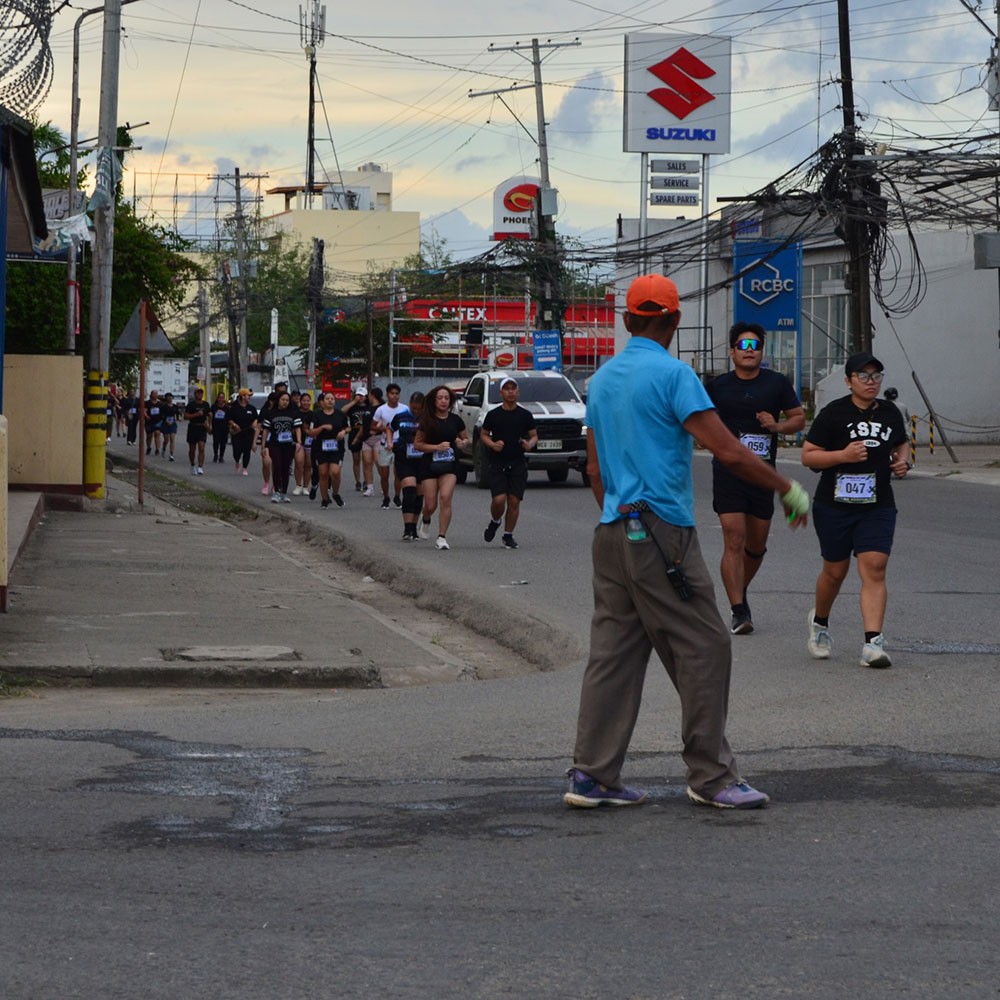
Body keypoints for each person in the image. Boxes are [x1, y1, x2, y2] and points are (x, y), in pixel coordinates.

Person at [564, 274, 809, 811]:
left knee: (615, 654)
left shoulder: (602, 380)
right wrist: (787, 487)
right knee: (706, 645)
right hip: (661, 531)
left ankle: (592, 775)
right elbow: (729, 451)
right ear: (673, 322)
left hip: (612, 531)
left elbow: (594, 468)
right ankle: (712, 776)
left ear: (628, 322)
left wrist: (618, 514)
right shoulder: (675, 375)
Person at [802, 352, 910, 669]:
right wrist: (843, 455)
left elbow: (900, 443)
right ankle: (819, 623)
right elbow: (809, 456)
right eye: (863, 376)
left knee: (875, 566)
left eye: (876, 376)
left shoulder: (890, 413)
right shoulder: (833, 414)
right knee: (834, 572)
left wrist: (902, 461)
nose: (871, 382)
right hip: (833, 505)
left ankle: (872, 644)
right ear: (848, 381)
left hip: (877, 505)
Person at [706, 321, 805, 634]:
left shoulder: (776, 383)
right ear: (732, 351)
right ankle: (738, 610)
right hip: (728, 472)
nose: (750, 352)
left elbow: (798, 419)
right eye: (743, 346)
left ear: (762, 352)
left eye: (756, 346)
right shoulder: (717, 386)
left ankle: (740, 587)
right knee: (733, 538)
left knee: (756, 546)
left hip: (763, 474)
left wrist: (776, 427)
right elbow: (700, 420)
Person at [480, 376, 538, 550]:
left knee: (513, 500)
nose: (510, 392)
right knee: (499, 500)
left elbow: (534, 435)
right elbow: (483, 434)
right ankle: (495, 521)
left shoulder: (525, 415)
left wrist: (530, 444)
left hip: (518, 462)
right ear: (501, 392)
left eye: (513, 389)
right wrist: (492, 444)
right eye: (507, 389)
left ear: (518, 392)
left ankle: (508, 535)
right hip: (498, 462)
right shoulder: (493, 414)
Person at [414, 384, 470, 550]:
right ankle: (425, 518)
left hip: (449, 465)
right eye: (440, 398)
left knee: (445, 498)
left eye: (446, 398)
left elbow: (465, 439)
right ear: (434, 400)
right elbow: (418, 445)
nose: (443, 401)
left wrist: (462, 443)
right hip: (429, 465)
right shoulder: (426, 420)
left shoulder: (456, 420)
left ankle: (441, 537)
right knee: (431, 504)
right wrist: (436, 448)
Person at [387, 391, 425, 540]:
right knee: (409, 490)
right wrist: (390, 442)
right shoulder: (401, 416)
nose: (416, 411)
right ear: (410, 404)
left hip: (422, 459)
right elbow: (389, 429)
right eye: (413, 408)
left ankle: (414, 528)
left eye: (419, 409)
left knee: (419, 495)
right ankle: (407, 528)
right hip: (404, 457)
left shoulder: (427, 418)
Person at [308, 391, 349, 508]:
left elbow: (348, 427)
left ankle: (335, 493)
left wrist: (343, 431)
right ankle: (325, 499)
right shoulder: (317, 415)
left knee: (335, 472)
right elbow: (311, 432)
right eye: (327, 399)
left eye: (332, 399)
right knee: (323, 473)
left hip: (337, 447)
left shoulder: (340, 414)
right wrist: (322, 427)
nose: (330, 401)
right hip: (320, 447)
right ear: (322, 401)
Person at [260, 390, 302, 503]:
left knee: (285, 468)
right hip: (275, 444)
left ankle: (284, 492)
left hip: (289, 444)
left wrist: (299, 441)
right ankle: (276, 492)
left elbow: (297, 428)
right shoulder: (271, 413)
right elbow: (265, 430)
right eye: (283, 400)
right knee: (277, 466)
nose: (285, 402)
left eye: (287, 400)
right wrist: (263, 445)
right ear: (278, 401)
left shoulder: (293, 413)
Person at [372, 383, 407, 509]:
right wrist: (381, 429)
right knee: (384, 474)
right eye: (392, 393)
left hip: (400, 444)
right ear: (387, 395)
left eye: (397, 394)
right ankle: (386, 497)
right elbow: (372, 426)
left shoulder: (404, 409)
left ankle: (397, 496)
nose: (394, 396)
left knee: (398, 473)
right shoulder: (381, 409)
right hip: (385, 444)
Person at [359, 387, 384, 497]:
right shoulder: (367, 408)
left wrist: (377, 429)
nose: (367, 396)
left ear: (373, 395)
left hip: (378, 438)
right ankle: (370, 487)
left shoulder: (382, 408)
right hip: (366, 439)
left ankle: (384, 485)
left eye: (368, 394)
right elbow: (363, 424)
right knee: (367, 463)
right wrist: (357, 438)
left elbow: (385, 422)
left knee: (379, 463)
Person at [228, 388, 258, 476]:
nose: (249, 397)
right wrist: (234, 424)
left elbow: (256, 418)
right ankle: (237, 461)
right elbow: (229, 419)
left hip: (248, 433)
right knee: (236, 451)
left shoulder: (252, 408)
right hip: (237, 433)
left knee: (246, 451)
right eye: (248, 395)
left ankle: (245, 467)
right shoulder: (234, 408)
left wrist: (254, 423)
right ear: (242, 396)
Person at [343, 386, 368, 492]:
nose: (360, 398)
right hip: (354, 432)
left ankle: (367, 481)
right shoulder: (352, 407)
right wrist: (354, 401)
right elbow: (342, 411)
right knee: (356, 459)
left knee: (366, 460)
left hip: (366, 434)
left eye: (362, 396)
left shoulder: (369, 407)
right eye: (358, 395)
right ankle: (358, 481)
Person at [184, 387, 212, 475]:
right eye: (198, 393)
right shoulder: (191, 405)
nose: (200, 395)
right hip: (193, 427)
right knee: (192, 449)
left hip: (202, 427)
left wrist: (209, 425)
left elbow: (210, 415)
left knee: (201, 447)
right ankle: (192, 464)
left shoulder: (206, 404)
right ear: (195, 395)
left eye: (201, 393)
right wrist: (196, 414)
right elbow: (186, 416)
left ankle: (200, 466)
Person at [293, 391, 314, 496]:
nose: (306, 402)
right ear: (300, 401)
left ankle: (306, 487)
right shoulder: (296, 413)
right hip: (298, 442)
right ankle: (298, 485)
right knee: (299, 463)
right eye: (304, 400)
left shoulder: (313, 414)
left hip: (310, 442)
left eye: (308, 401)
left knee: (308, 465)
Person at [211, 391, 230, 463]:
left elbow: (229, 418)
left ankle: (221, 456)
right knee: (216, 442)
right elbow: (210, 416)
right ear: (217, 398)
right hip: (216, 427)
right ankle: (215, 454)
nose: (221, 399)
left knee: (223, 443)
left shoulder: (227, 407)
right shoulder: (214, 407)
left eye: (222, 398)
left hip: (224, 428)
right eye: (219, 397)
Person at [143, 390, 164, 456]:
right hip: (149, 421)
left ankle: (157, 449)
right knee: (149, 436)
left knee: (157, 433)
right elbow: (144, 411)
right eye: (154, 394)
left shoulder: (160, 404)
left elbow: (163, 412)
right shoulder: (147, 403)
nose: (155, 395)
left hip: (157, 421)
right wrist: (146, 416)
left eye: (156, 394)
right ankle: (149, 447)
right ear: (151, 395)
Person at [160, 393, 179, 461]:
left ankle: (171, 454)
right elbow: (161, 415)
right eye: (168, 397)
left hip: (173, 423)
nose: (170, 398)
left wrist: (179, 418)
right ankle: (164, 448)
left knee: (172, 438)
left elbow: (177, 414)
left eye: (171, 397)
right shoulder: (163, 407)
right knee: (166, 439)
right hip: (165, 423)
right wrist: (166, 421)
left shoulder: (175, 406)